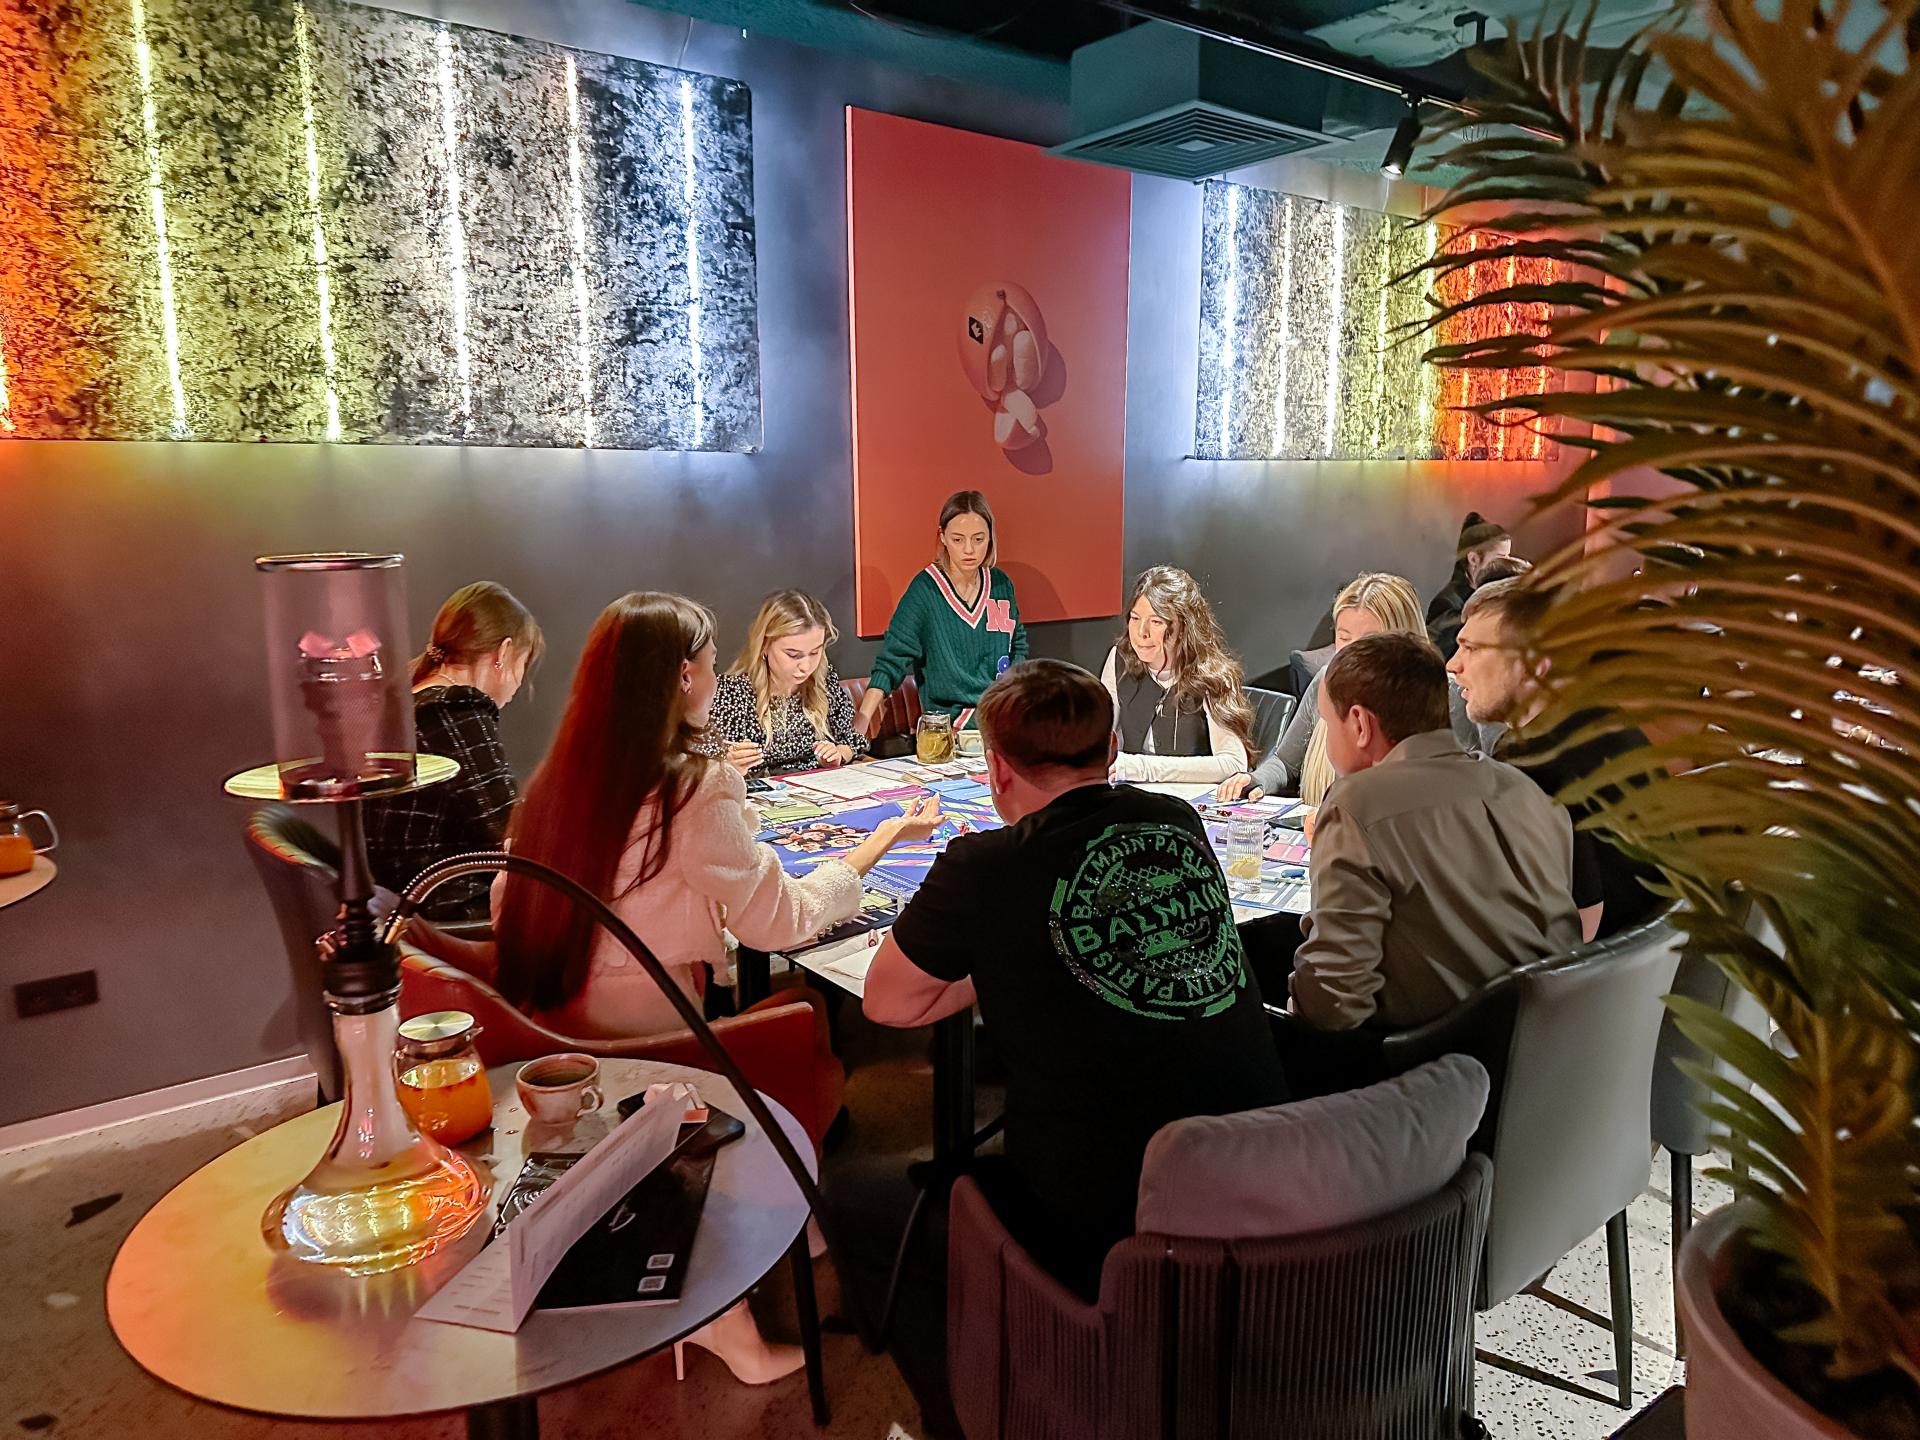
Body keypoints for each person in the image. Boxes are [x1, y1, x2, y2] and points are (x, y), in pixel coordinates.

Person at [487, 593, 942, 1385]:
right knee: (806, 1024)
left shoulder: (560, 774)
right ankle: (727, 1313)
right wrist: (877, 843)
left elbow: (511, 900)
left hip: (552, 1045)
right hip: (657, 1057)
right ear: (685, 677)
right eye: (703, 661)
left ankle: (781, 1218)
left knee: (788, 1015)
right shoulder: (694, 788)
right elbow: (782, 922)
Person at [862, 659, 1288, 1297]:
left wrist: (1008, 952)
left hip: (1108, 1226)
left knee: (902, 1203)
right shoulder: (1176, 819)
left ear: (997, 769)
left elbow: (887, 1002)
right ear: (1111, 749)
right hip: (1265, 1172)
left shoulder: (984, 866)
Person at [1288, 633, 1580, 1032]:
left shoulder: (1357, 804)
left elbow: (1333, 1004)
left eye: (1327, 723)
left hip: (1434, 1054)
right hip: (1554, 1037)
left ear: (1359, 724)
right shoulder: (1526, 790)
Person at [1449, 577, 1665, 942]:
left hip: (1590, 971)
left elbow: (1568, 926)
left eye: (1471, 648)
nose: (1453, 664)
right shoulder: (1608, 724)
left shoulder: (1530, 765)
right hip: (1650, 965)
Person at [1216, 572, 1478, 806]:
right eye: (1344, 638)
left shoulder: (1448, 696)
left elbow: (1456, 791)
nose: (1352, 651)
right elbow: (1285, 762)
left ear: (1403, 639)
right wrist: (1256, 781)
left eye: (1369, 640)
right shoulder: (1325, 681)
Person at [366, 581, 544, 921]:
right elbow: (509, 831)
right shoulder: (454, 710)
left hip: (406, 900)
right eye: (524, 664)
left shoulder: (411, 702)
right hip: (445, 904)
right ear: (504, 653)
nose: (520, 683)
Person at [857, 490, 1027, 733]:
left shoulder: (1001, 584)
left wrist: (1014, 694)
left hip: (1001, 714)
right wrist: (861, 722)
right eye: (958, 540)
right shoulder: (925, 589)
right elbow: (892, 660)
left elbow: (1017, 646)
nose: (969, 549)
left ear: (990, 537)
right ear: (943, 537)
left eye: (979, 539)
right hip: (950, 725)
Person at [1099, 566, 1256, 784]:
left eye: (1156, 622)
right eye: (1135, 618)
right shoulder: (1119, 659)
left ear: (1183, 627)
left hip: (1189, 798)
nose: (1141, 632)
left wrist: (1141, 768)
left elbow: (1233, 763)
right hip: (1132, 793)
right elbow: (1100, 739)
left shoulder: (1213, 675)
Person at [703, 590, 868, 775]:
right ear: (764, 646)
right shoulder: (733, 690)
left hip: (815, 783)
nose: (806, 666)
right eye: (793, 655)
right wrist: (731, 762)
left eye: (815, 652)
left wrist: (837, 755)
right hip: (759, 786)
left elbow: (851, 741)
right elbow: (706, 763)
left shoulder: (823, 680)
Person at [1426, 512, 1513, 659]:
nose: (1508, 563)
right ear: (1473, 559)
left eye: (1509, 557)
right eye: (1501, 558)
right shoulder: (1448, 603)